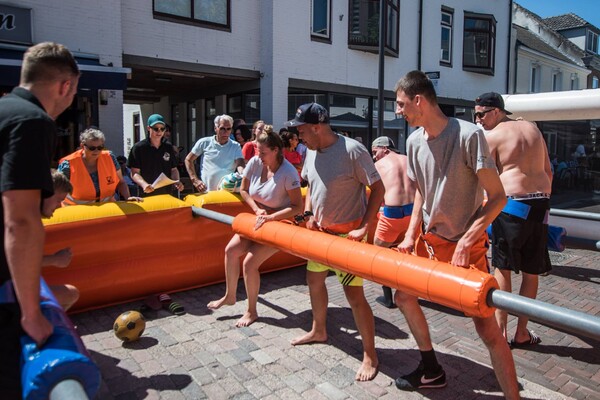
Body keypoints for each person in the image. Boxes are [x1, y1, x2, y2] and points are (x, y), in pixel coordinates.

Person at [393, 71, 518, 398]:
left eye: (401, 104)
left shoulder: (468, 135)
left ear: (418, 100)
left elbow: (499, 196)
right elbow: (421, 190)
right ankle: (431, 369)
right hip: (428, 244)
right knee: (403, 296)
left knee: (488, 331)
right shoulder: (413, 141)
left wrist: (466, 238)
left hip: (468, 248)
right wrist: (409, 234)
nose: (399, 111)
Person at [0, 41, 80, 399]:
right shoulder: (32, 122)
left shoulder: (4, 110)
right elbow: (21, 221)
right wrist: (31, 313)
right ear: (65, 86)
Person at [287, 102, 384, 382]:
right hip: (320, 235)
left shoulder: (353, 150)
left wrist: (365, 226)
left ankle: (370, 354)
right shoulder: (311, 152)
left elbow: (379, 188)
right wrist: (307, 214)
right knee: (314, 281)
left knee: (354, 297)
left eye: (302, 131)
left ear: (317, 128)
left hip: (346, 239)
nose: (299, 137)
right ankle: (319, 330)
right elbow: (311, 188)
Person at [475, 92, 553, 347]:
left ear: (497, 111)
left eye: (481, 114)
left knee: (503, 269)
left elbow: (484, 178)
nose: (478, 120)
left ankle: (501, 333)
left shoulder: (492, 135)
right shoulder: (533, 128)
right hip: (540, 205)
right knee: (531, 272)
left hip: (511, 206)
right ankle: (522, 332)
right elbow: (548, 170)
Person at [207, 126, 302, 327]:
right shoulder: (255, 162)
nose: (259, 156)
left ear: (276, 150)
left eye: (263, 152)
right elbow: (243, 190)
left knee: (249, 264)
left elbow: (297, 207)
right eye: (258, 151)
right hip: (259, 218)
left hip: (281, 223)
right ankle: (230, 296)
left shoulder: (288, 171)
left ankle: (251, 311)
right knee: (231, 250)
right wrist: (257, 210)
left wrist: (272, 217)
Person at [370, 136, 416, 308]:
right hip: (413, 213)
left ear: (385, 149)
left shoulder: (378, 166)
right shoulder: (408, 160)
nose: (374, 157)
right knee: (414, 253)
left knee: (378, 255)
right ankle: (413, 289)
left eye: (375, 152)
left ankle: (388, 298)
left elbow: (375, 194)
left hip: (392, 214)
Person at [58, 128, 141, 204]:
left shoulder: (110, 157)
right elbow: (57, 191)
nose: (96, 151)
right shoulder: (68, 164)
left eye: (100, 147)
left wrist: (128, 197)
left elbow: (121, 182)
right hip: (77, 211)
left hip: (105, 208)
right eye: (92, 148)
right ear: (83, 146)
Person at [41, 169, 79, 311]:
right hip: (7, 290)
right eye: (58, 200)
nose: (59, 206)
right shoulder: (21, 221)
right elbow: (12, 263)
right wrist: (54, 259)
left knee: (70, 293)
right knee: (70, 293)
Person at [185, 114, 245, 192]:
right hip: (206, 191)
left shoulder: (235, 146)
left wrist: (242, 174)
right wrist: (195, 180)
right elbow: (188, 160)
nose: (226, 132)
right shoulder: (204, 142)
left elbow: (240, 163)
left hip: (226, 192)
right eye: (222, 128)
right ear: (215, 129)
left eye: (228, 129)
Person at [128, 114, 184, 197]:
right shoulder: (138, 148)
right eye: (156, 129)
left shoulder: (168, 147)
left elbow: (174, 170)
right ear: (148, 128)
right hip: (146, 195)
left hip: (167, 195)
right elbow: (134, 173)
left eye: (162, 129)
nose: (159, 131)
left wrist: (176, 181)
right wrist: (144, 185)